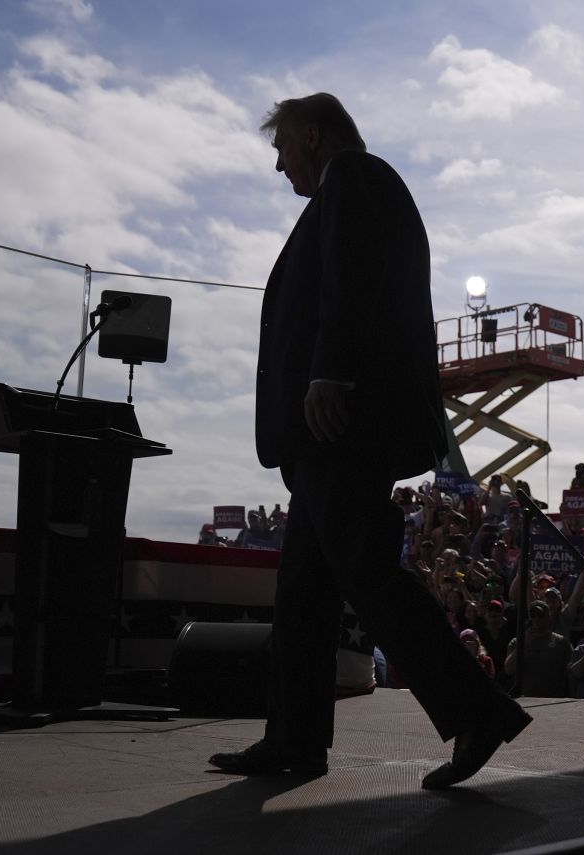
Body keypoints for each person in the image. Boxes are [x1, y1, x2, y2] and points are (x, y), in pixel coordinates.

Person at [209, 93, 530, 789]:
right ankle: (294, 737)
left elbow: (350, 284)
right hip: (333, 427)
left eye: (282, 146)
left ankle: (476, 709)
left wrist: (328, 373)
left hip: (343, 422)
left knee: (367, 570)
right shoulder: (353, 186)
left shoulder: (353, 179)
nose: (276, 163)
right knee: (303, 590)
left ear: (315, 137)